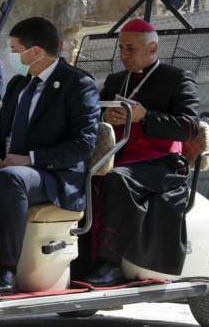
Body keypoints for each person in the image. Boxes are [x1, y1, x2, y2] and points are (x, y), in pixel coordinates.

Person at [0, 17, 100, 295]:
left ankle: (6, 268)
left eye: (15, 50)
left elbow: (84, 144)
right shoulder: (19, 84)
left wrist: (31, 159)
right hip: (11, 170)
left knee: (12, 178)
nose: (12, 56)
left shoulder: (77, 83)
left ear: (35, 51)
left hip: (53, 176)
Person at [85, 18, 199, 286]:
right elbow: (93, 116)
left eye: (131, 48)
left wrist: (145, 116)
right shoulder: (115, 80)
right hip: (116, 155)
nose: (124, 54)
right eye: (121, 48)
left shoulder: (176, 78)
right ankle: (78, 262)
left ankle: (110, 263)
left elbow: (190, 128)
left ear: (152, 48)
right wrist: (105, 116)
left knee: (118, 179)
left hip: (160, 163)